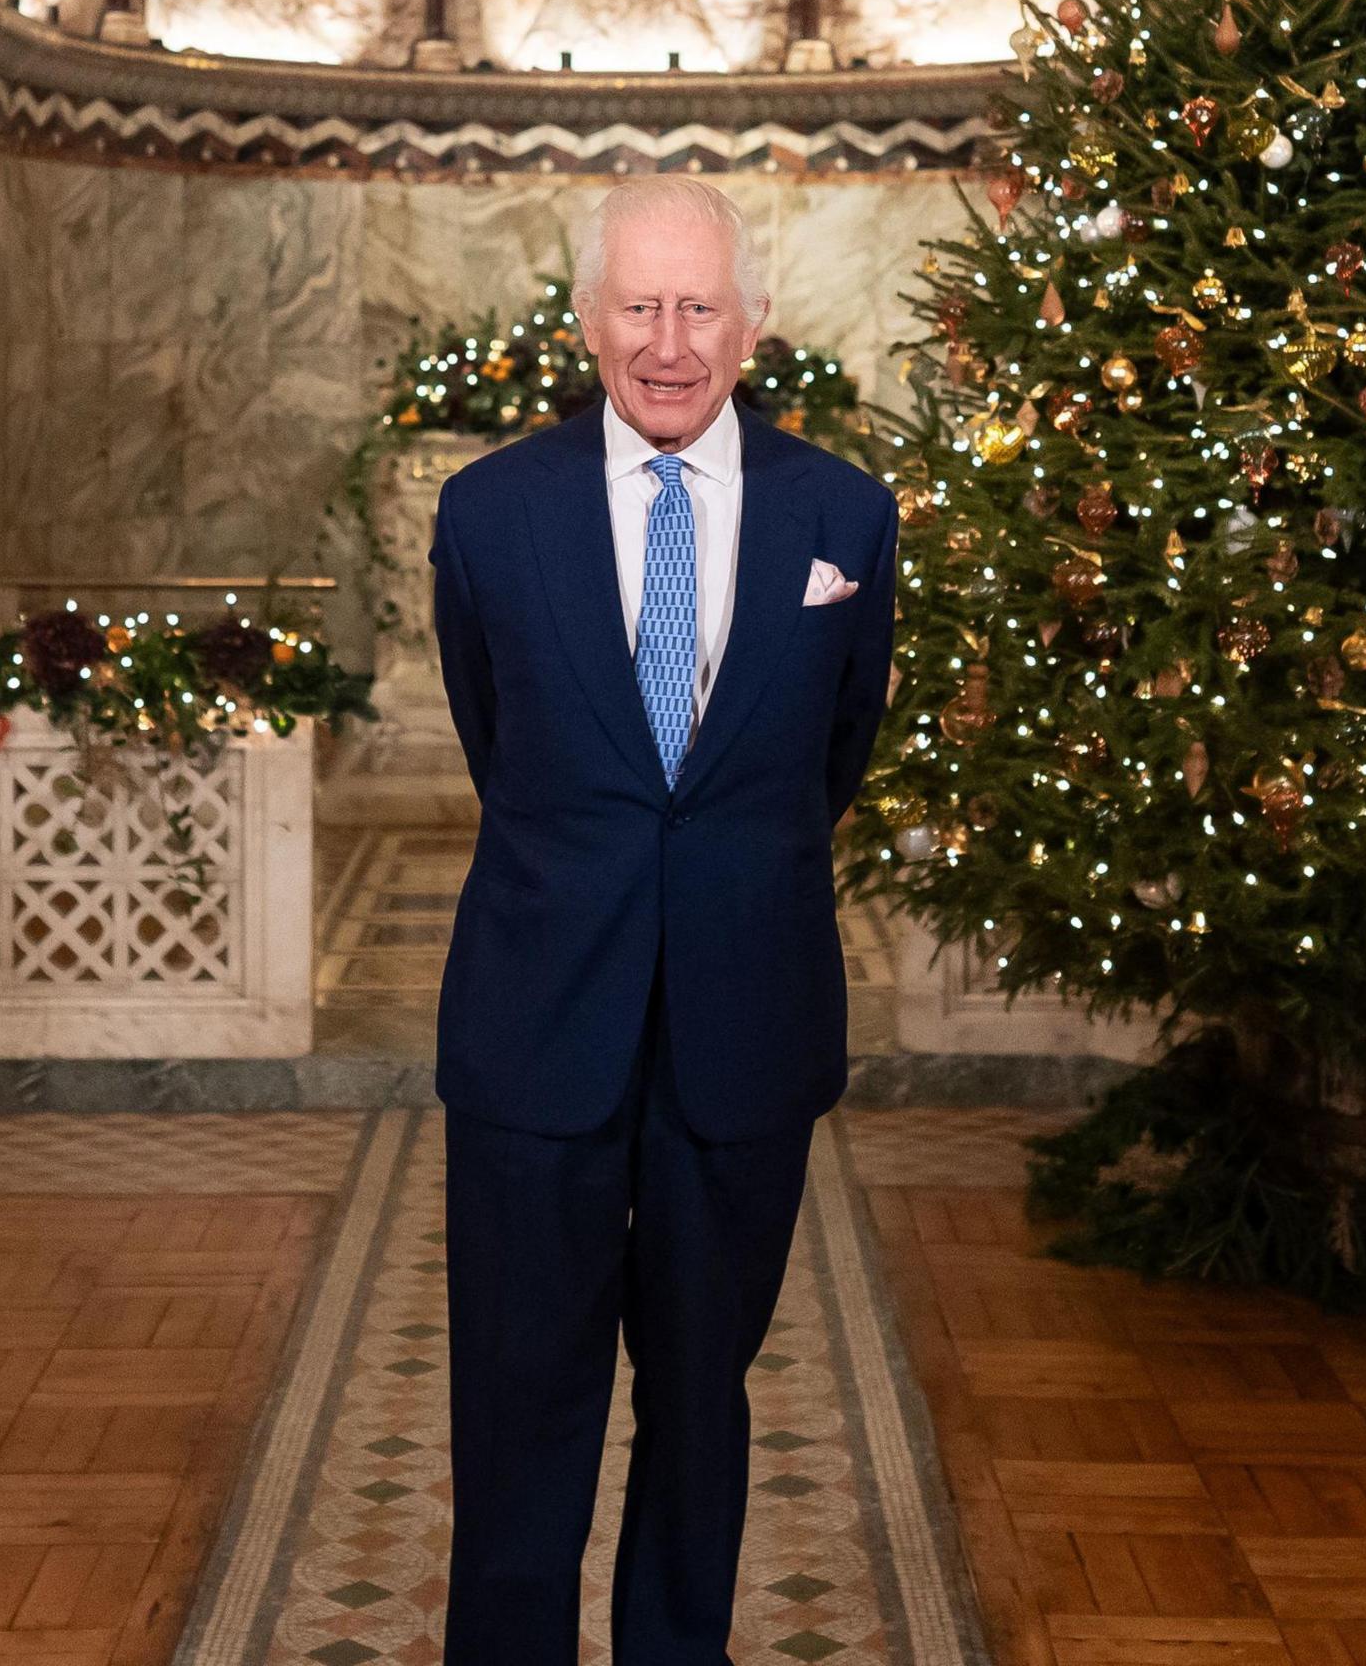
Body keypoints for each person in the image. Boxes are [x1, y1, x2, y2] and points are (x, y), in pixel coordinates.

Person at [426, 175, 899, 1664]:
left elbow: (841, 750)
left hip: (742, 1032)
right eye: (640, 306)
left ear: (753, 323)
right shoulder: (490, 513)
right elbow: (497, 741)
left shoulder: (846, 515)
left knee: (701, 1393)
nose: (671, 343)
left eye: (701, 307)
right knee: (519, 1396)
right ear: (586, 322)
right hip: (536, 1024)